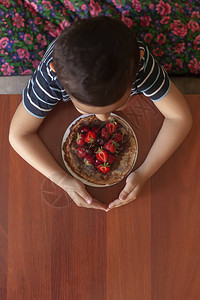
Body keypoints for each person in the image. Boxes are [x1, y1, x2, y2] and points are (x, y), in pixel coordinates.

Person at [9, 16, 192, 212]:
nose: (104, 119)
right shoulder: (51, 77)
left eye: (118, 105)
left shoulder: (140, 65)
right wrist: (62, 179)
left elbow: (181, 117)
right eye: (88, 110)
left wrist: (144, 173)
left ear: (138, 61)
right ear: (57, 74)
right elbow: (18, 135)